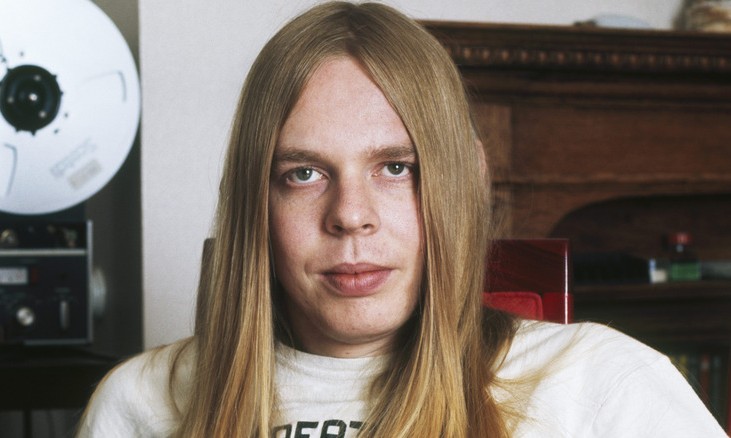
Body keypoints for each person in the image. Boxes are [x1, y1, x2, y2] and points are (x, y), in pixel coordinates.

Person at [76, 2, 727, 437]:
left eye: (396, 168)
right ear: (255, 202)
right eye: (302, 173)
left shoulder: (603, 386)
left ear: (463, 181)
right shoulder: (140, 404)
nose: (351, 217)